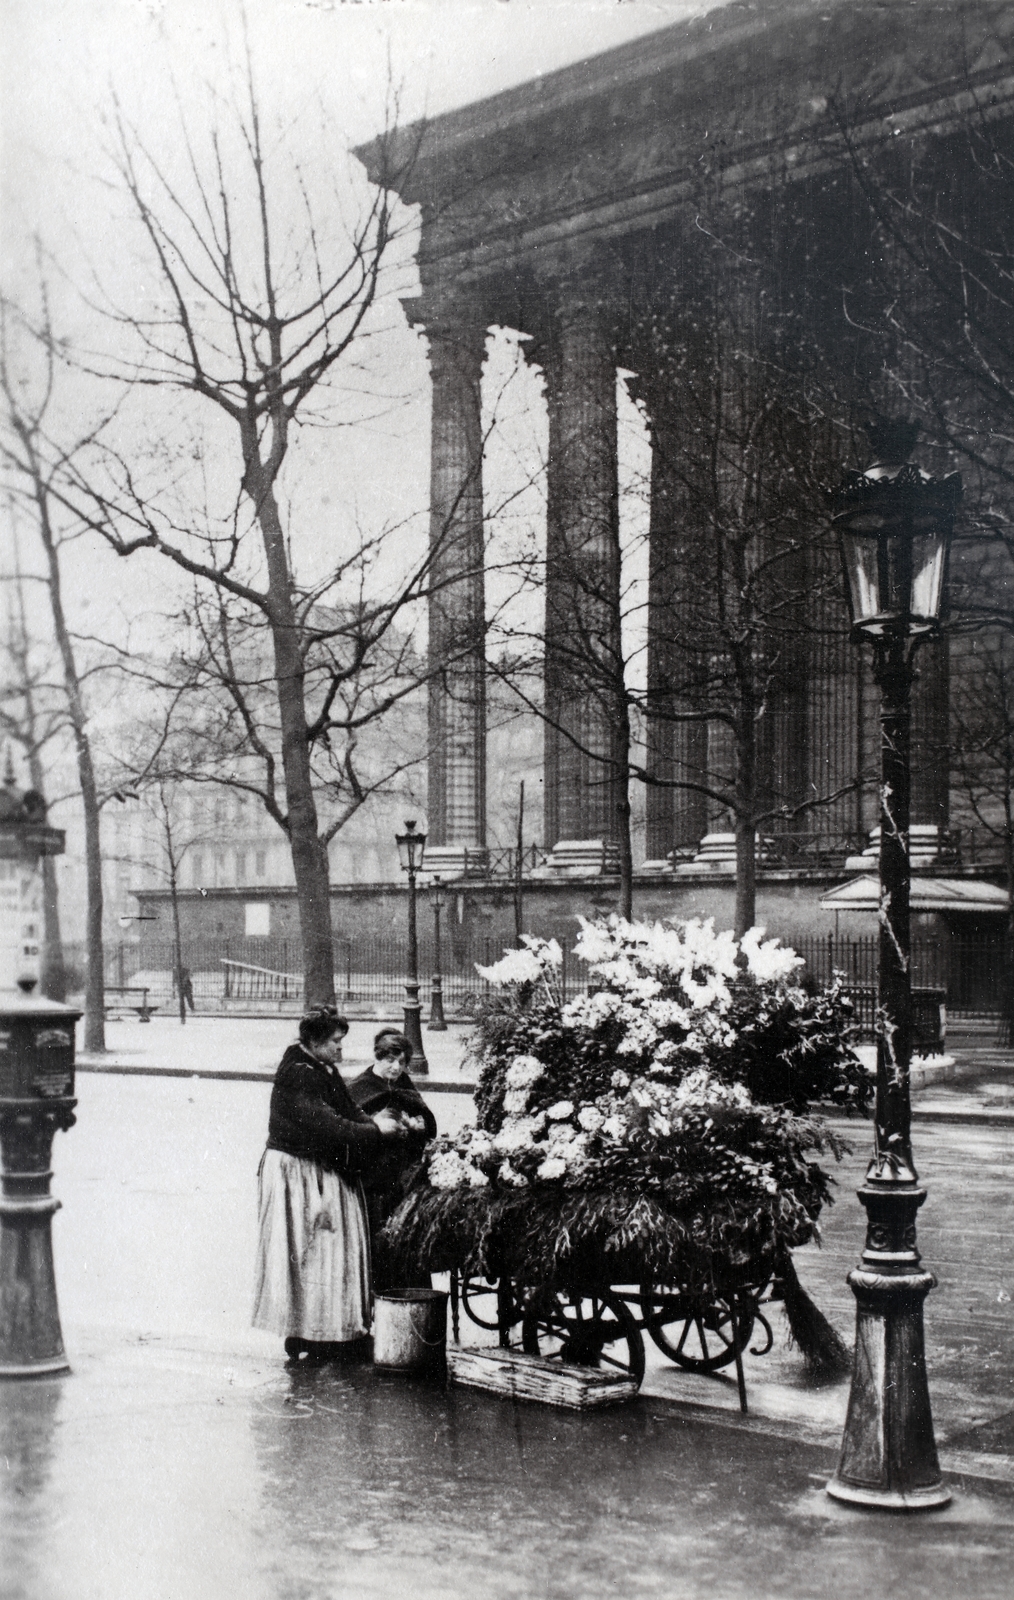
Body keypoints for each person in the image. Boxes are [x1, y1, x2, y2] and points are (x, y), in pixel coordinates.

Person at [252, 1005, 406, 1363]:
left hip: (317, 1168)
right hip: (299, 1173)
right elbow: (327, 1125)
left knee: (325, 1253)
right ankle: (312, 1333)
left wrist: (371, 1121)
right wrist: (374, 1130)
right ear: (315, 1041)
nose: (341, 1048)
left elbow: (347, 1110)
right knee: (315, 1253)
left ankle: (327, 1332)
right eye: (336, 1041)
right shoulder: (298, 1073)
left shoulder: (320, 1066)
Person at [349, 1030, 437, 1289]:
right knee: (379, 1251)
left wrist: (418, 1126)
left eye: (402, 1062)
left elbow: (426, 1123)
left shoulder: (405, 1085)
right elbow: (349, 1133)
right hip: (374, 1185)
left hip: (404, 1184)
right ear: (377, 1057)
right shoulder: (358, 1088)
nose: (396, 1067)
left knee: (407, 1250)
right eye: (390, 1060)